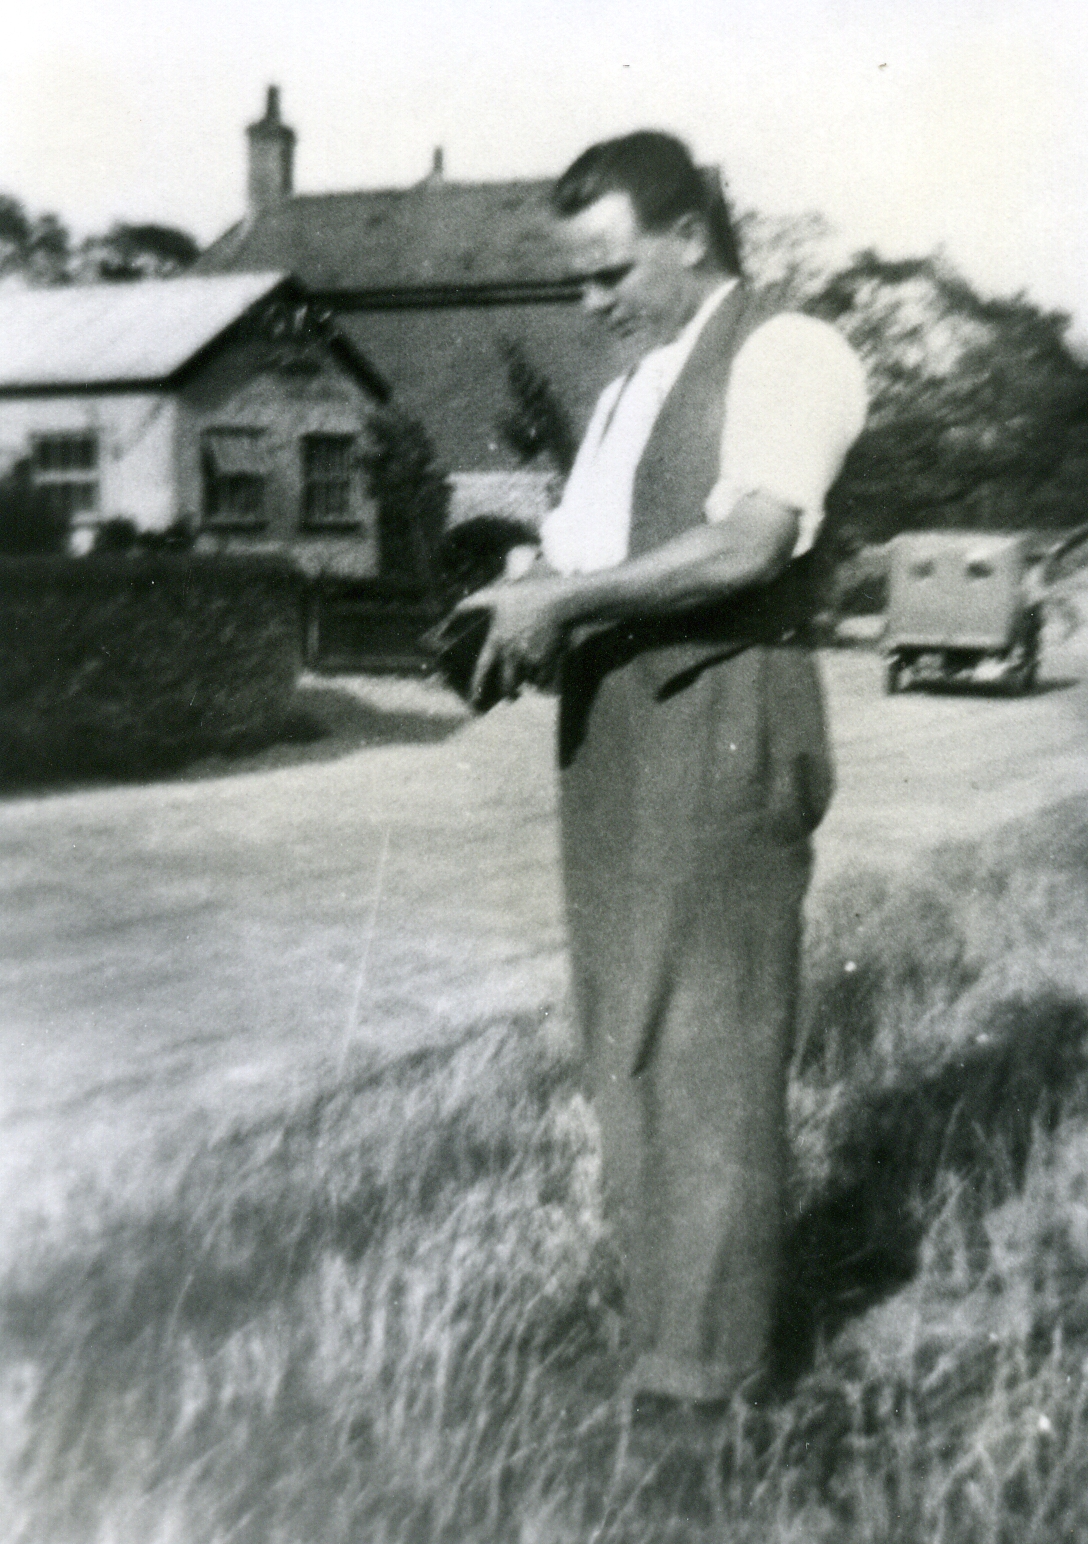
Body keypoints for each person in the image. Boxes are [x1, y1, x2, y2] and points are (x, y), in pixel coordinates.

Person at [457, 132, 867, 1406]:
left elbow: (747, 543)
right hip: (617, 727)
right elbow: (584, 554)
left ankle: (711, 1375)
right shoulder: (629, 388)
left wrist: (567, 599)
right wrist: (519, 602)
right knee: (625, 1028)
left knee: (707, 1042)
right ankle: (667, 1333)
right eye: (576, 280)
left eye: (609, 270)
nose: (591, 303)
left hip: (726, 709)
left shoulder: (787, 350)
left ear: (689, 235)